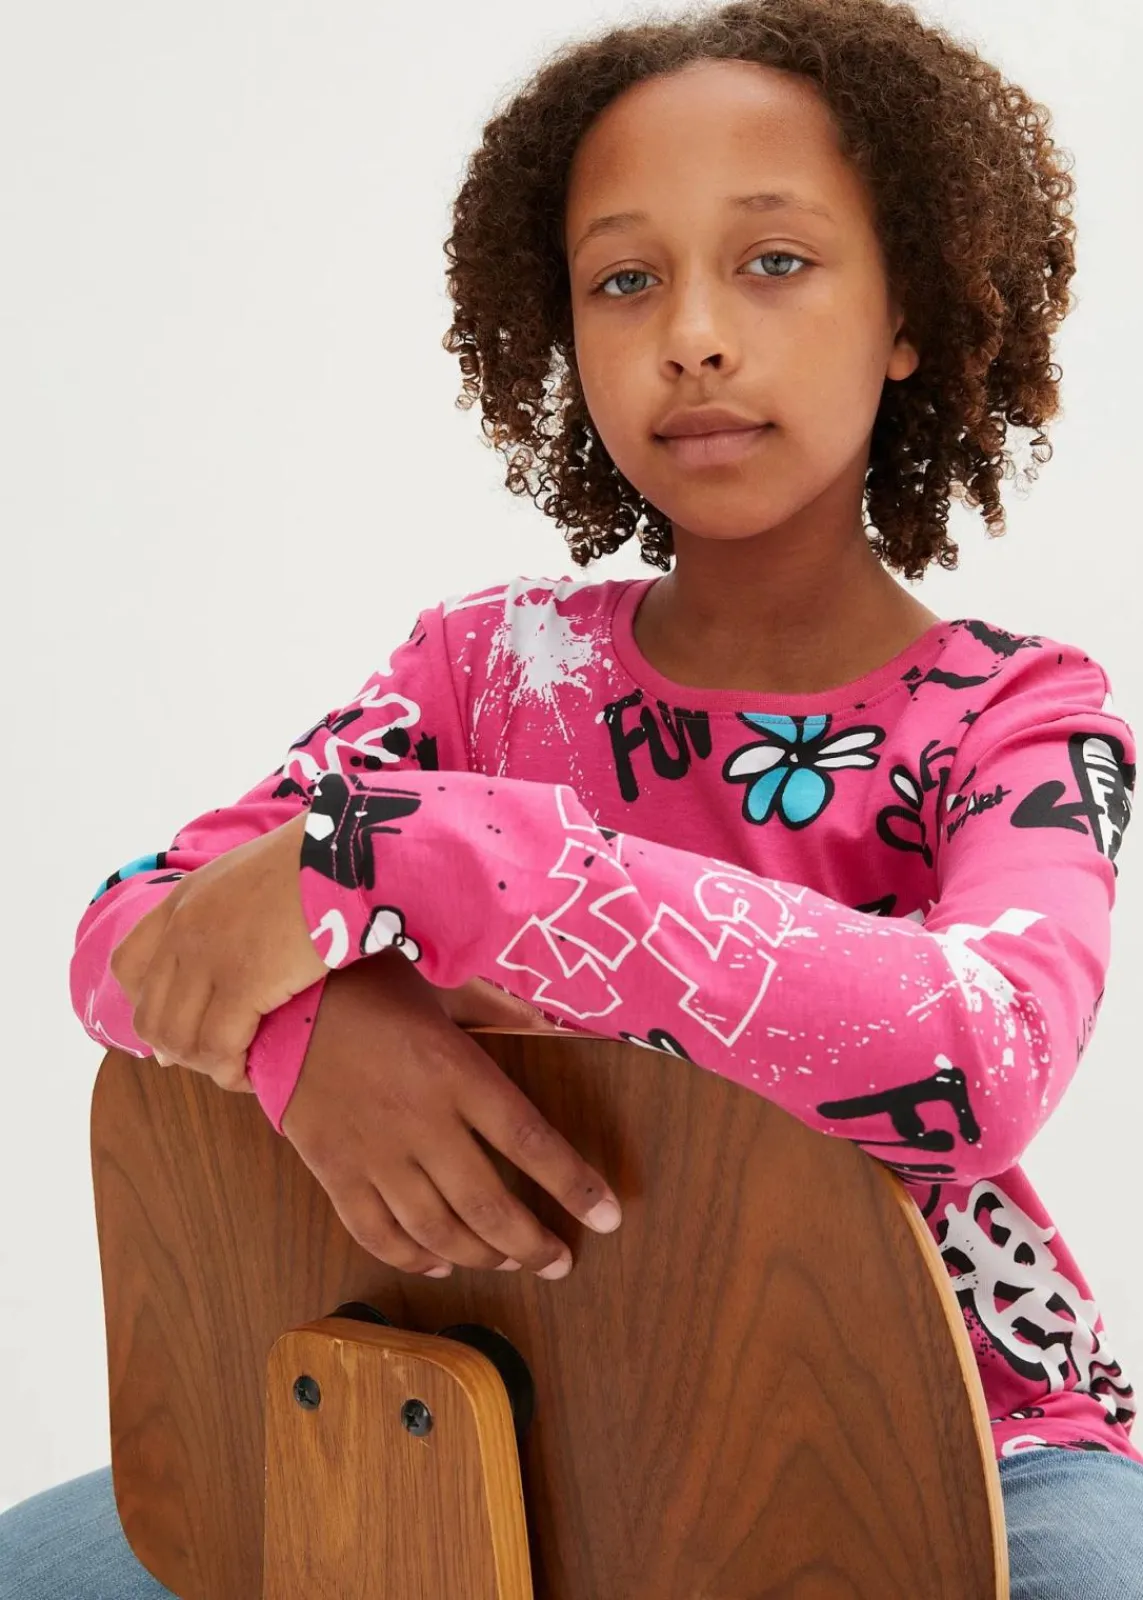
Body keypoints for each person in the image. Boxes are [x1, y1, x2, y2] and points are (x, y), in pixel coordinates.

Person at [5, 2, 1141, 1595]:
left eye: (773, 261)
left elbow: (981, 1055)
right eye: (623, 280)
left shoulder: (1021, 717)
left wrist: (452, 860)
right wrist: (306, 1031)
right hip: (499, 1410)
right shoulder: (487, 671)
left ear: (908, 312)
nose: (693, 333)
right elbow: (140, 938)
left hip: (956, 1429)